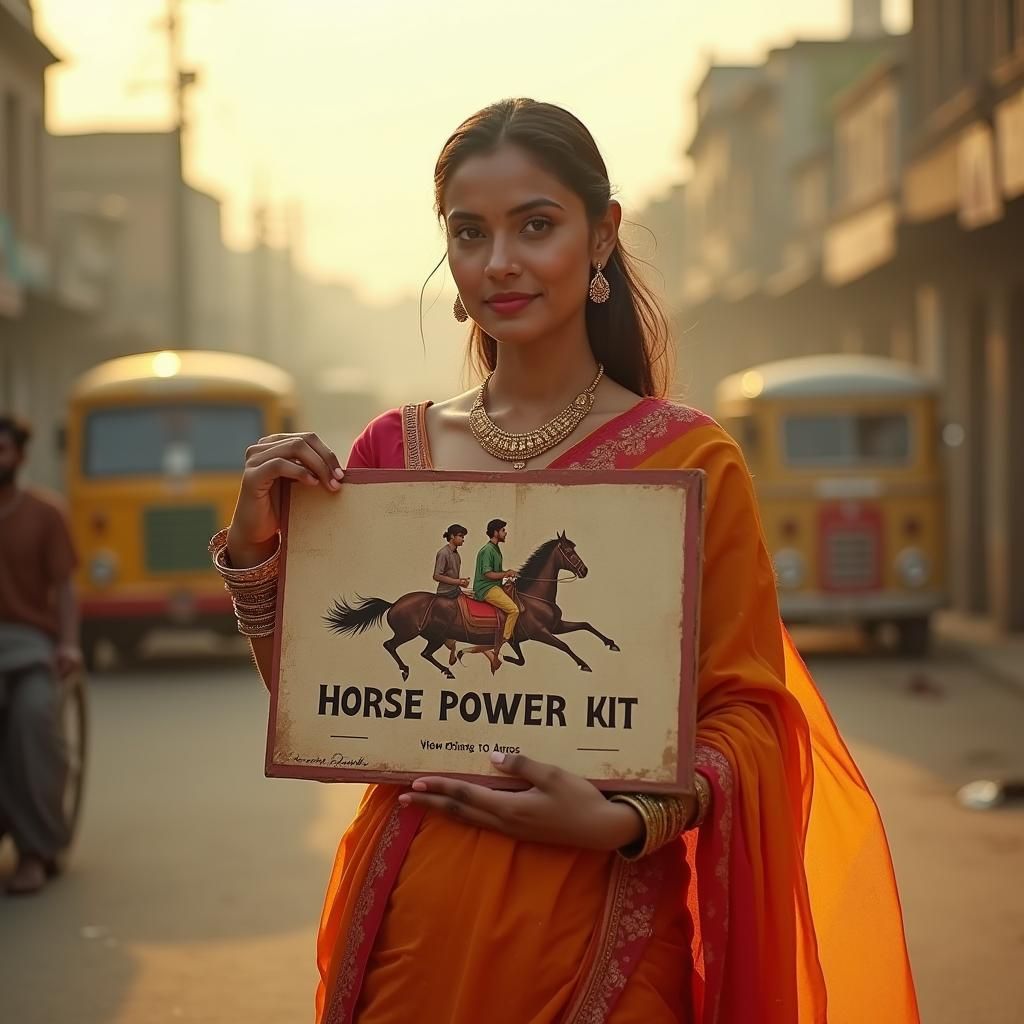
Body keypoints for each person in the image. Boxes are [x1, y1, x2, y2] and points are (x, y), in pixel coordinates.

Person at [218, 99, 919, 1022]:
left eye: (535, 226)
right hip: (414, 923)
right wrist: (258, 549)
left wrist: (625, 821)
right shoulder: (399, 453)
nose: (500, 261)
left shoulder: (690, 462)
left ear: (601, 237)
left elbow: (747, 716)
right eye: (470, 234)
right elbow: (328, 705)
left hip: (607, 928)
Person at [0, 414, 82, 896]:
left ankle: (37, 849)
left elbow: (65, 588)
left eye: (3, 450)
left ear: (20, 456)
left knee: (33, 719)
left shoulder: (46, 513)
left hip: (31, 647)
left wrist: (69, 643)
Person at [432, 523, 470, 665]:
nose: (463, 539)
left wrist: (461, 582)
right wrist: (458, 582)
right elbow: (436, 576)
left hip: (455, 590)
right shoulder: (443, 553)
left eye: (463, 537)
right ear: (452, 536)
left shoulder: (456, 554)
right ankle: (451, 645)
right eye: (461, 536)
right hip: (445, 594)